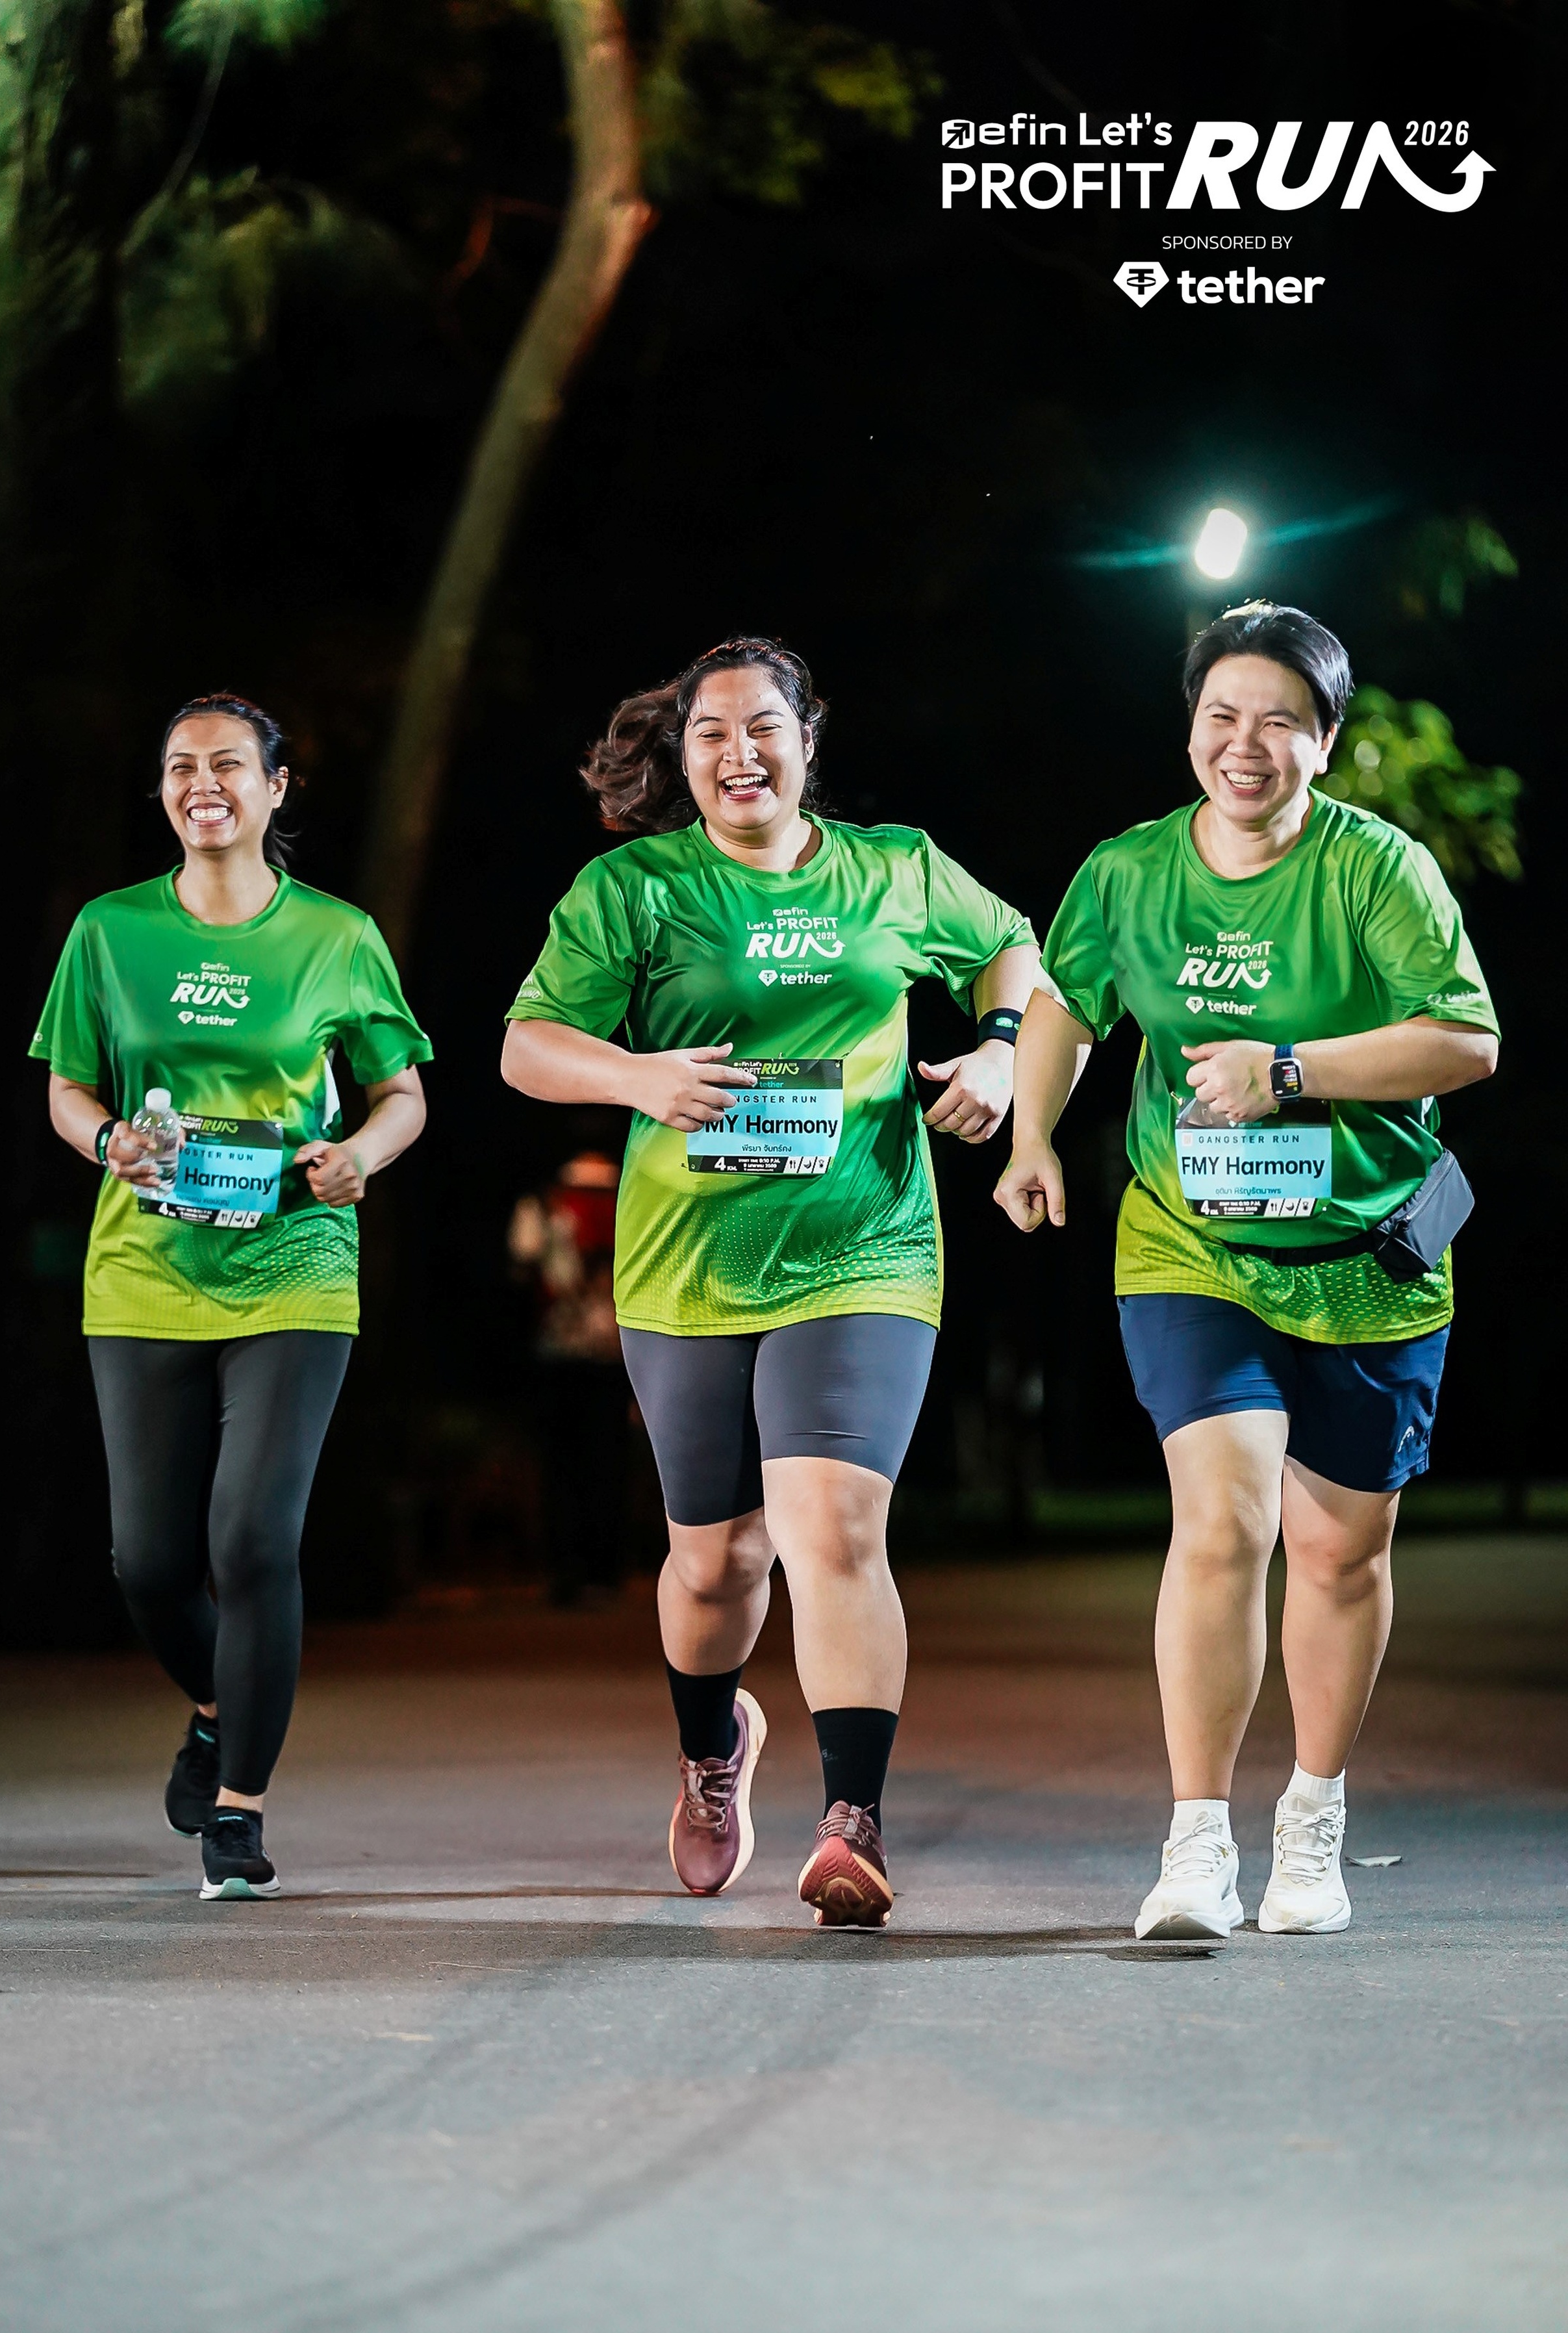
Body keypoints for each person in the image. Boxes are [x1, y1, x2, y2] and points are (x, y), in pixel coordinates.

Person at [503, 635, 1041, 1925]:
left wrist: (1000, 1051)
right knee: (716, 1563)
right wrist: (637, 1075)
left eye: (764, 729)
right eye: (711, 734)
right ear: (682, 756)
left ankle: (852, 1821)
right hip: (690, 1261)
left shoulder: (892, 868)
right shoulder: (635, 887)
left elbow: (1011, 946)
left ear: (808, 740)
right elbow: (528, 1045)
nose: (740, 753)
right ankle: (712, 1747)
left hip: (864, 1244)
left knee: (833, 1530)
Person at [997, 602, 1499, 1941]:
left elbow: (1467, 1041)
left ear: (1325, 740)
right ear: (1190, 730)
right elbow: (1066, 1003)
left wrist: (1290, 1069)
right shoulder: (1129, 872)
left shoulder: (1378, 870)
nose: (1246, 743)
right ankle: (1196, 1845)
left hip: (1369, 1251)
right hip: (1192, 1239)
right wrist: (1033, 1132)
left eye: (1280, 720)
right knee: (1222, 1522)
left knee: (1339, 1548)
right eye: (1221, 715)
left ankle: (1312, 1822)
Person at [31, 693, 432, 1900]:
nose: (201, 784)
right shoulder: (109, 932)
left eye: (227, 765)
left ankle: (240, 1810)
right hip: (144, 1272)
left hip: (294, 1263)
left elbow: (402, 1096)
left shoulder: (337, 936)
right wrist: (105, 1141)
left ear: (275, 787)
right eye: (179, 767)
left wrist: (360, 1157)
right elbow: (67, 1087)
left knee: (252, 1537)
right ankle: (217, 1706)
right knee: (150, 1563)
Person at [507, 1149, 631, 1603]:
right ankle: (575, 1571)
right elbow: (526, 1266)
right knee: (577, 1464)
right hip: (570, 1353)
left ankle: (596, 1571)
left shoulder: (616, 1210)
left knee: (597, 1463)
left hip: (603, 1355)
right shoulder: (547, 1210)